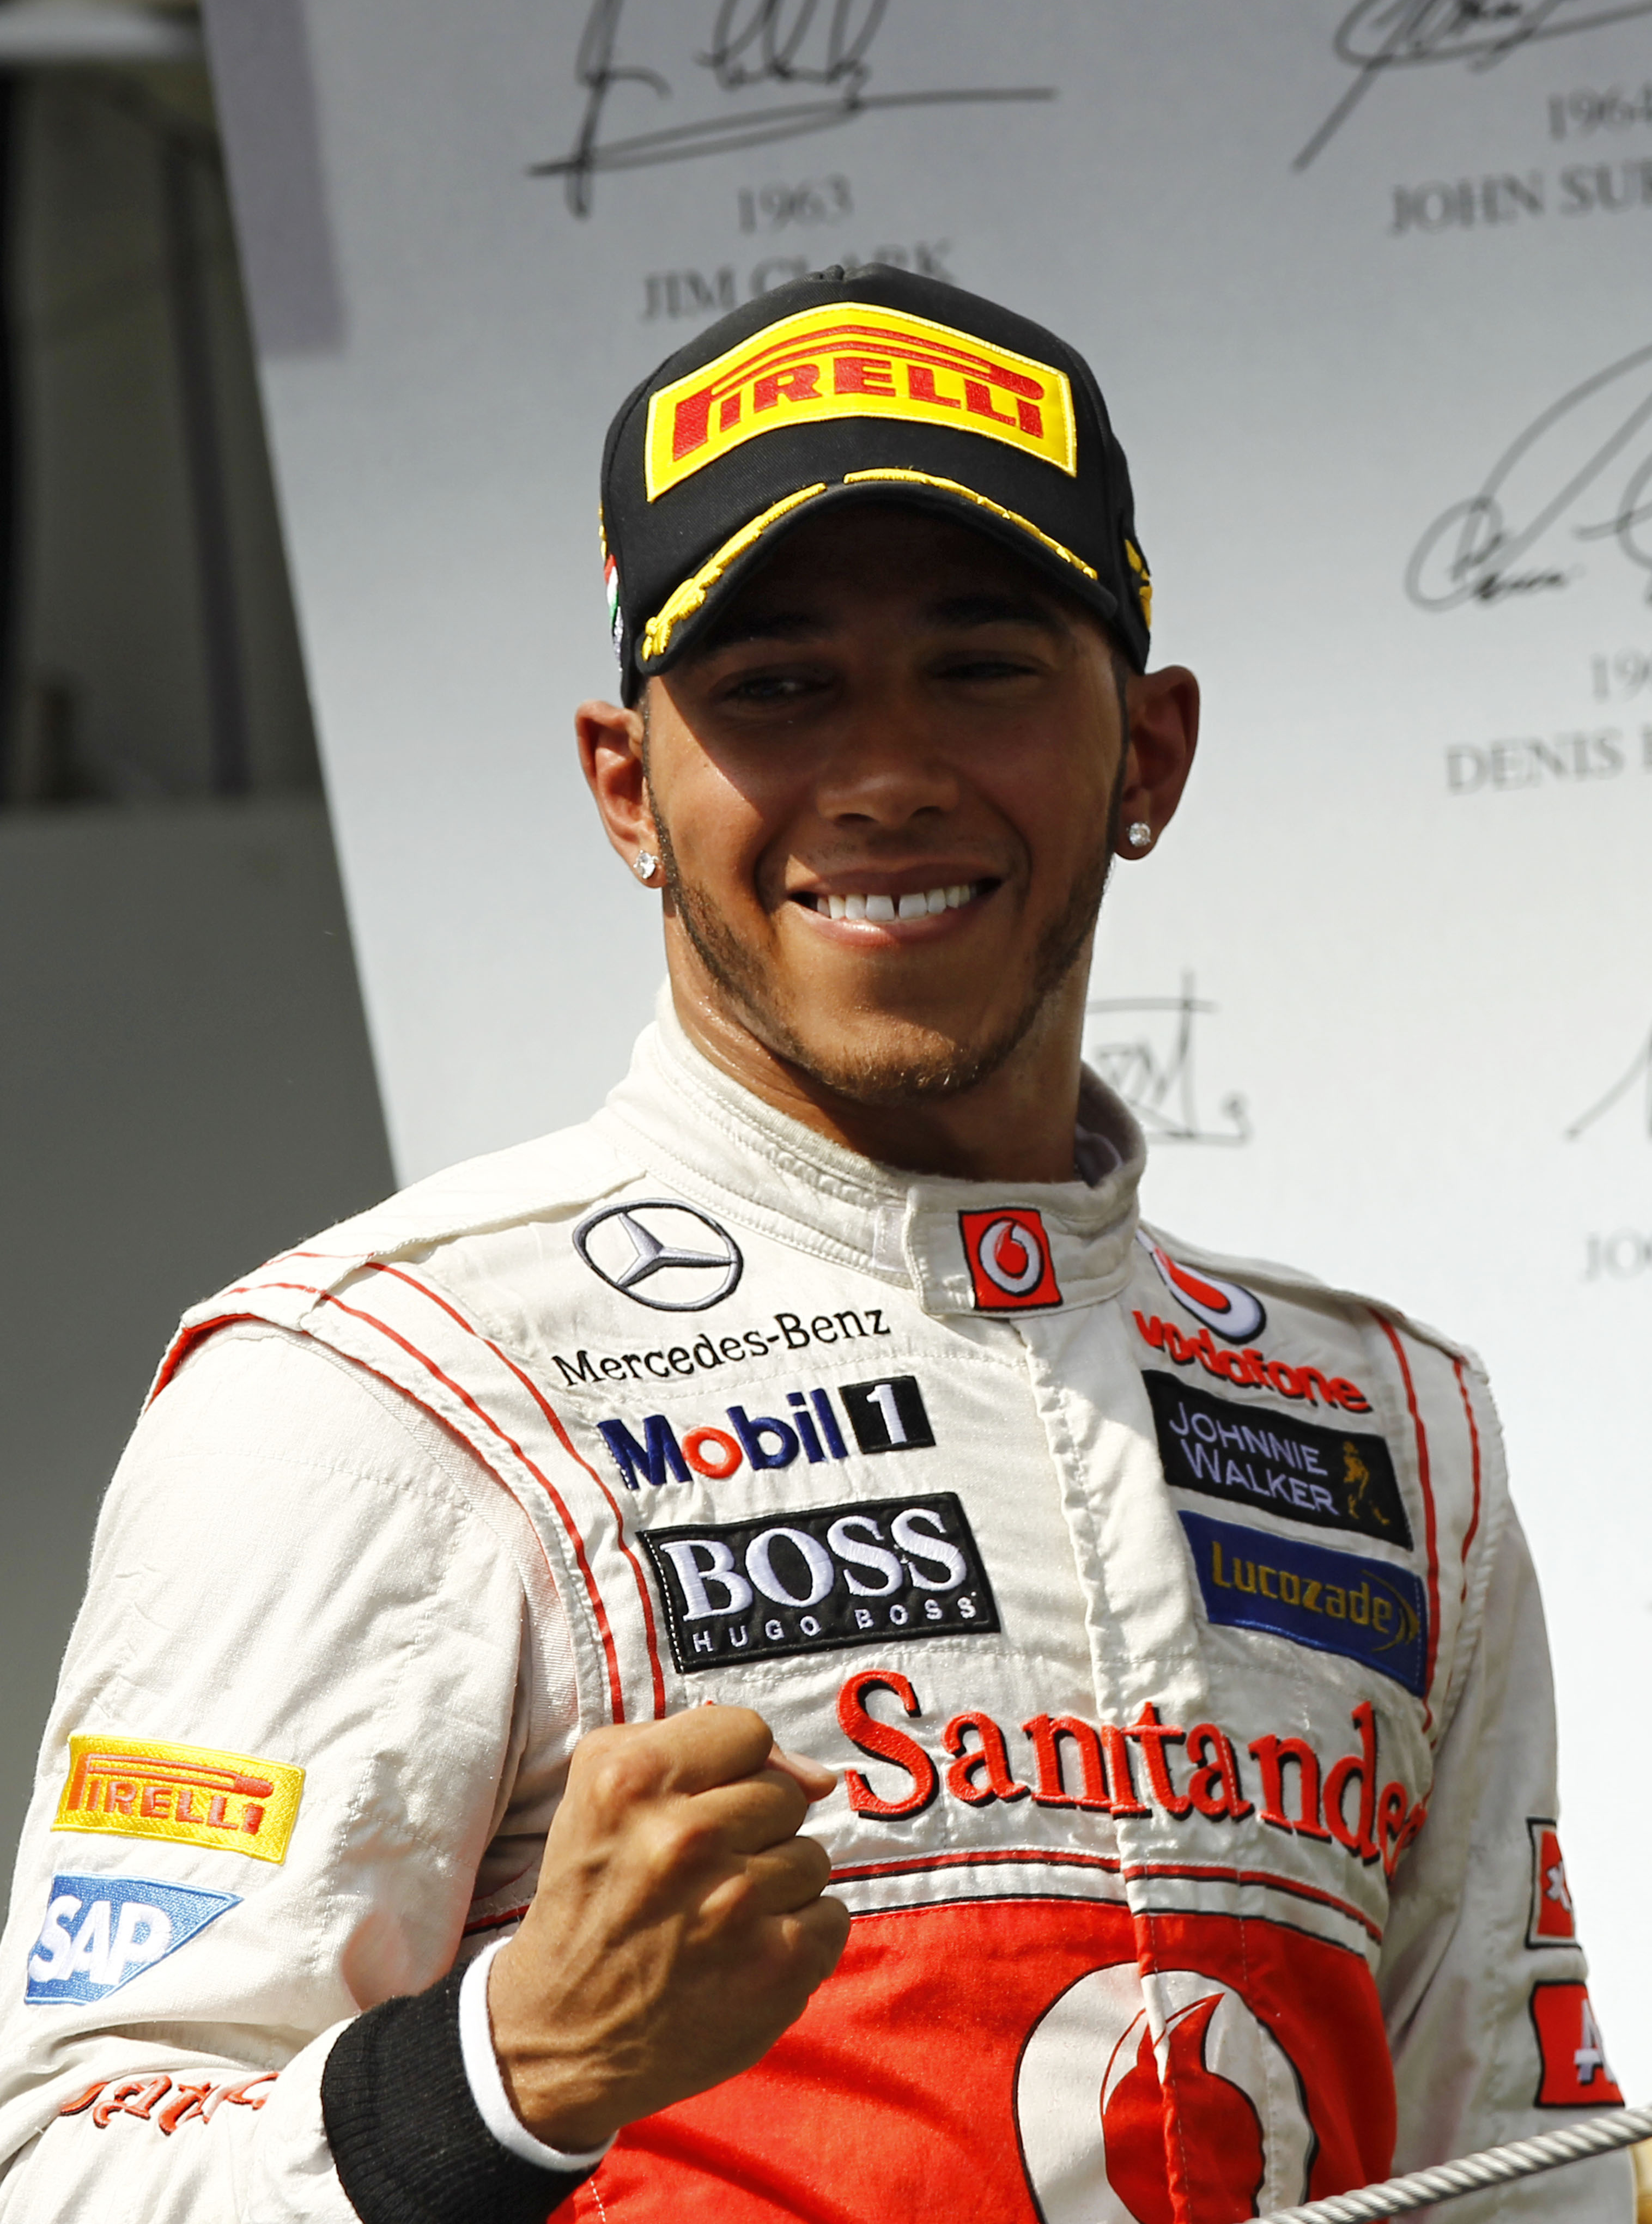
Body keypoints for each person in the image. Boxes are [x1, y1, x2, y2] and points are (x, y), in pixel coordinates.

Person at [0, 264, 1630, 2223]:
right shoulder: (383, 1386)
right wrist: (502, 2074)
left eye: (983, 667)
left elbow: (1512, 2173)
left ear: (1149, 755)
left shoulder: (1386, 1431)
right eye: (777, 690)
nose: (884, 775)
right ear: (627, 789)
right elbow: (67, 2171)